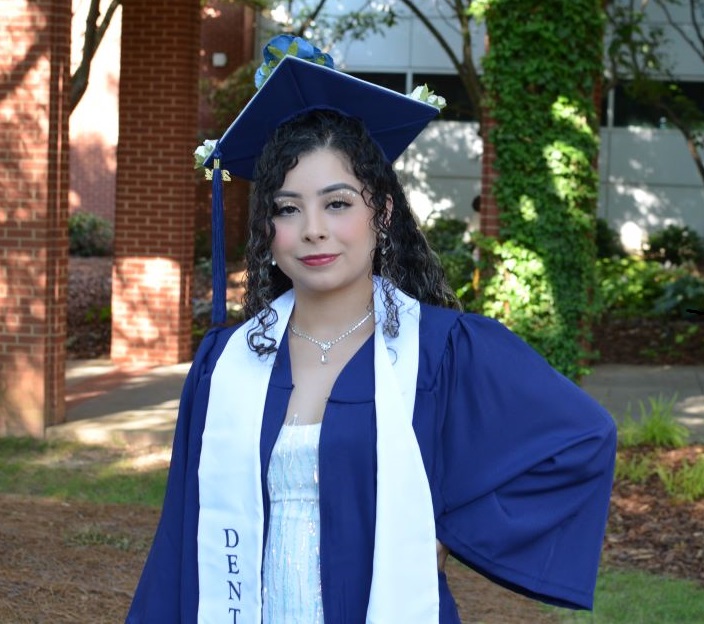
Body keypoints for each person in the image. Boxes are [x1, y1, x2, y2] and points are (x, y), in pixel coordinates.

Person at [126, 35, 616, 623]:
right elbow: (184, 532)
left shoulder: (438, 351)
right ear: (267, 229)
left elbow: (582, 438)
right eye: (287, 208)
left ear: (380, 214)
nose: (313, 230)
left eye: (337, 204)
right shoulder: (225, 363)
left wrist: (448, 530)